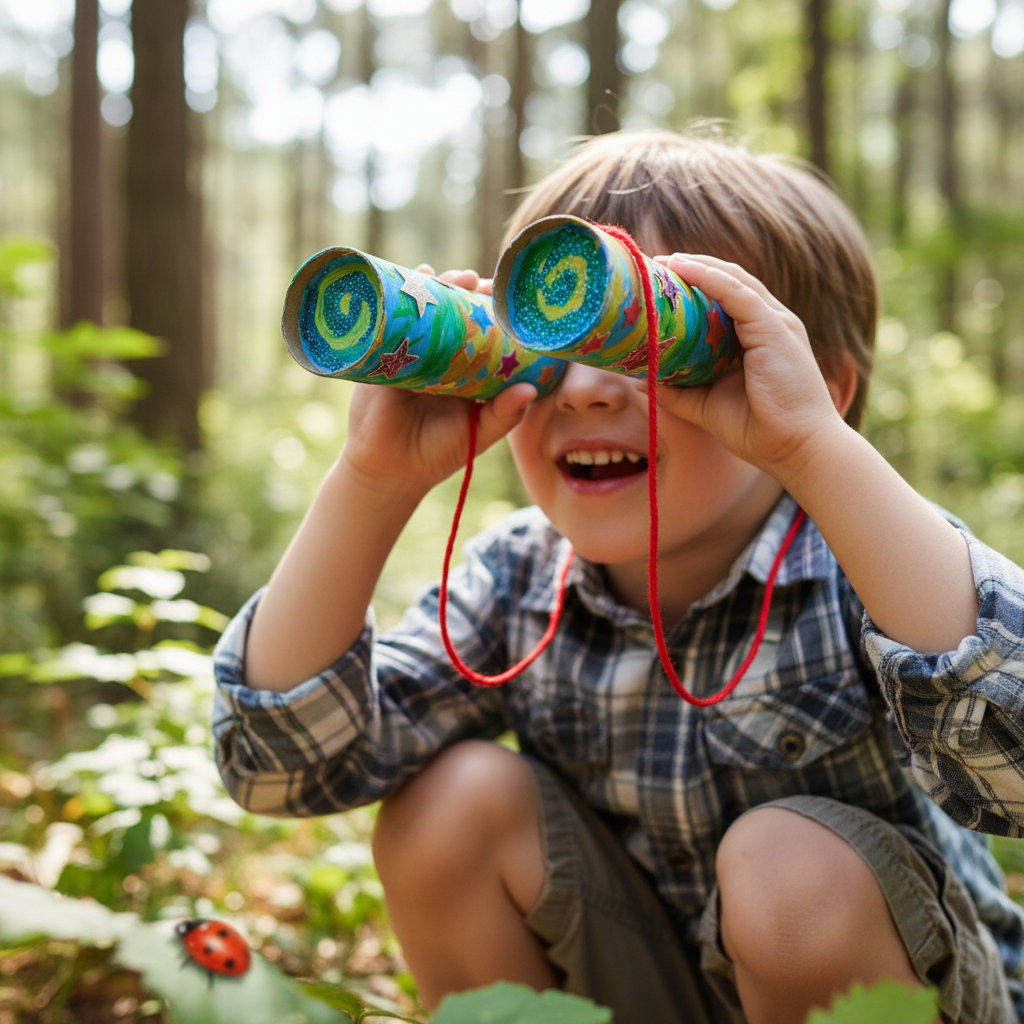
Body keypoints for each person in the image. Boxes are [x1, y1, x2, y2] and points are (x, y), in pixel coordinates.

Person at [212, 130, 1024, 1024]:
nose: (585, 390)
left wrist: (818, 453)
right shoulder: (518, 581)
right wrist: (371, 483)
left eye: (648, 335)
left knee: (790, 872)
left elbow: (1014, 765)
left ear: (817, 388)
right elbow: (278, 771)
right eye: (548, 338)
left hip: (897, 993)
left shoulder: (867, 564)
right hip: (644, 985)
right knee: (447, 807)